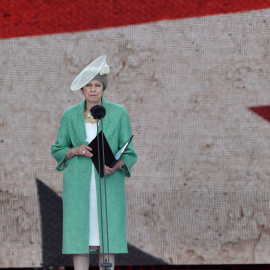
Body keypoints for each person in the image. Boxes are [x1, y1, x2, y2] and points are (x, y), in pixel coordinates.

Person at [51, 55, 137, 270]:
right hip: (79, 184)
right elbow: (58, 148)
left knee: (107, 236)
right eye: (88, 85)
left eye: (97, 85)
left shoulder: (118, 113)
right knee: (80, 236)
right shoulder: (70, 115)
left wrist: (117, 164)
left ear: (103, 88)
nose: (92, 89)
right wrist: (75, 150)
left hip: (108, 183)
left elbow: (129, 152)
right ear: (81, 89)